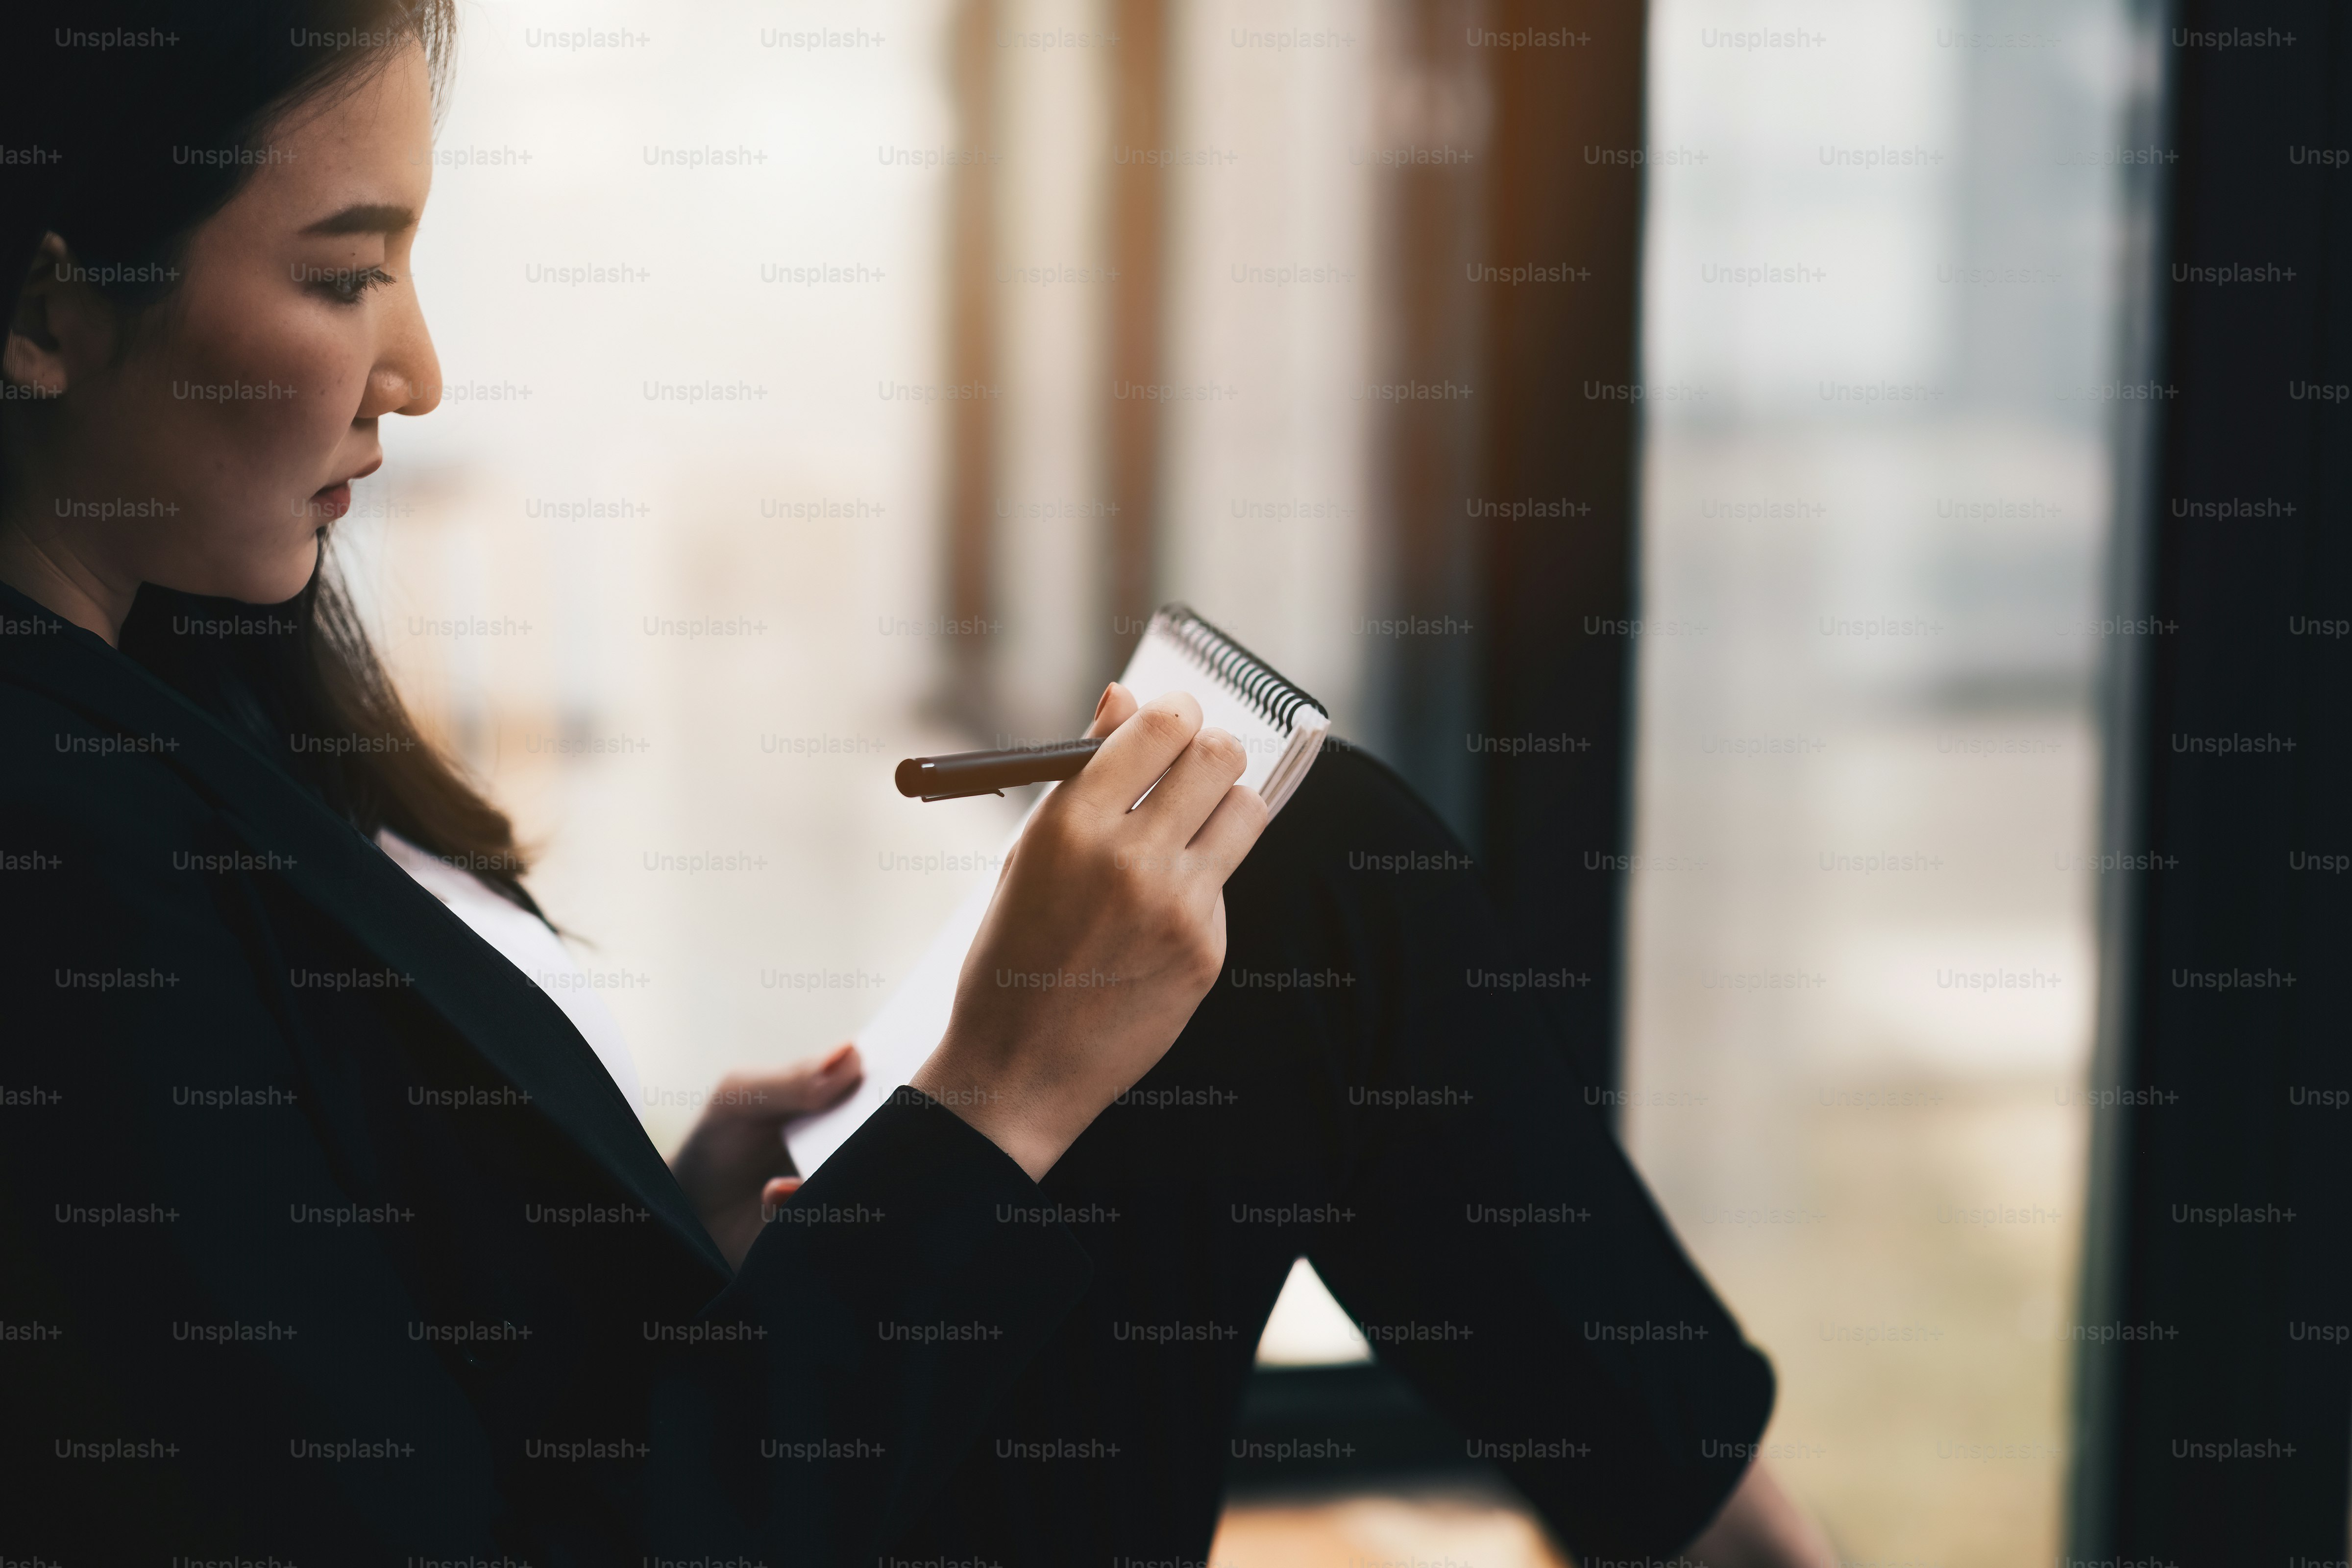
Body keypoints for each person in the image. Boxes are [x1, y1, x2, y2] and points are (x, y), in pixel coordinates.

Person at [0, 3, 1833, 1564]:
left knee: (1287, 864)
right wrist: (992, 1106)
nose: (417, 369)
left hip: (713, 1447)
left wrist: (657, 1218)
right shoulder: (65, 864)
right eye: (342, 277)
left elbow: (361, 1324)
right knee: (1302, 885)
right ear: (48, 312)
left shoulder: (159, 679)